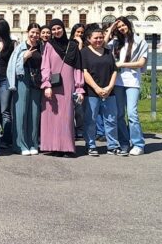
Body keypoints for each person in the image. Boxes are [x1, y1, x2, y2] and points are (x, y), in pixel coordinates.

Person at [40, 19, 84, 156]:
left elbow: (78, 67)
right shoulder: (49, 45)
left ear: (63, 29)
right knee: (51, 116)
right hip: (52, 85)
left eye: (58, 28)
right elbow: (45, 65)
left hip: (68, 84)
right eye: (53, 29)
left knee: (66, 115)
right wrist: (46, 84)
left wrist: (79, 87)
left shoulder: (72, 45)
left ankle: (66, 147)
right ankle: (53, 146)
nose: (56, 31)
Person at [109, 17, 148, 156]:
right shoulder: (115, 42)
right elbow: (102, 45)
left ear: (128, 25)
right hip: (118, 81)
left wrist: (122, 64)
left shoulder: (140, 41)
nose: (121, 28)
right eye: (118, 26)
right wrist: (111, 28)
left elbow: (141, 63)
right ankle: (124, 143)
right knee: (119, 114)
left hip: (132, 81)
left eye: (123, 25)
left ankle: (138, 143)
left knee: (132, 113)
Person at [79, 23, 119, 156]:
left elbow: (114, 70)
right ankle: (90, 145)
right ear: (89, 39)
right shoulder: (84, 52)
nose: (99, 40)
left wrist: (109, 87)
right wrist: (97, 88)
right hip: (92, 92)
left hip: (109, 91)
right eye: (96, 38)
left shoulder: (107, 51)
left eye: (101, 37)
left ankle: (112, 145)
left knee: (111, 120)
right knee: (91, 120)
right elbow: (84, 72)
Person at [7, 23, 43, 155]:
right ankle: (20, 144)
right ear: (28, 32)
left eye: (37, 33)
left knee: (34, 113)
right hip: (23, 78)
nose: (35, 35)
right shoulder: (20, 47)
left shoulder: (42, 47)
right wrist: (24, 57)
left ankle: (33, 143)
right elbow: (12, 67)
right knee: (21, 112)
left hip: (37, 80)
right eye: (32, 32)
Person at [0, 19, 15, 150]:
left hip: (6, 78)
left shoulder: (12, 44)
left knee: (5, 111)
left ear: (1, 29)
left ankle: (6, 138)